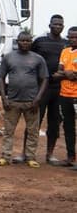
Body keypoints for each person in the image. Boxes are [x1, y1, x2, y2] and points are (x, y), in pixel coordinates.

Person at [0, 32, 48, 168]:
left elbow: (45, 79)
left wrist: (38, 99)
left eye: (28, 41)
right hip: (12, 101)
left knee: (33, 131)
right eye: (22, 41)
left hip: (31, 102)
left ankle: (31, 157)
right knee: (8, 131)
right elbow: (1, 77)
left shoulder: (38, 59)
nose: (25, 43)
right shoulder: (9, 57)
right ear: (17, 41)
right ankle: (5, 156)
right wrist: (4, 97)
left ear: (31, 42)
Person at [24, 14, 68, 164]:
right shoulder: (40, 42)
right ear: (49, 25)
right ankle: (26, 153)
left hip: (59, 89)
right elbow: (30, 60)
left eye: (60, 24)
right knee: (34, 121)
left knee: (55, 123)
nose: (57, 26)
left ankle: (49, 155)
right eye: (55, 24)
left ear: (63, 26)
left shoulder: (66, 44)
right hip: (40, 88)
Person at [56, 26, 77, 167]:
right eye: (70, 37)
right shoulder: (64, 51)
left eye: (75, 37)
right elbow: (59, 72)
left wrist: (66, 74)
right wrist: (68, 74)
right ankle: (70, 157)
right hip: (64, 95)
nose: (72, 39)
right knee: (68, 127)